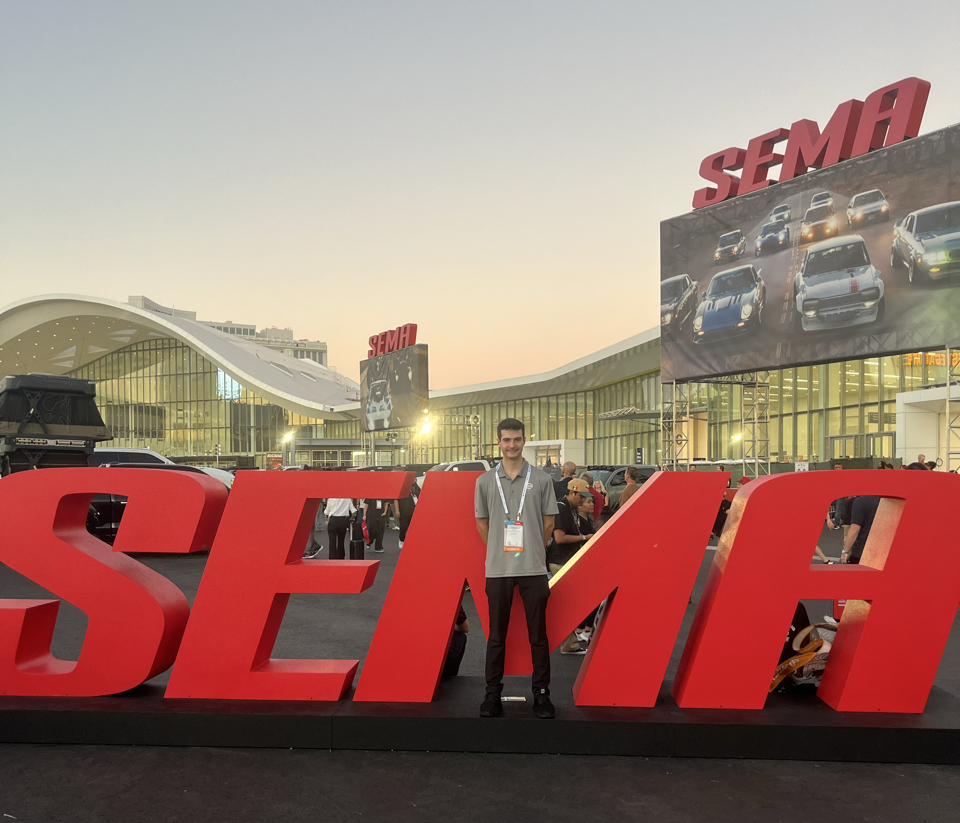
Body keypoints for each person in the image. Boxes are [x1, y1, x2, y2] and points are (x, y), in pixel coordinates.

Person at [475, 418, 558, 720]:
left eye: (517, 439)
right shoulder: (484, 481)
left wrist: (533, 548)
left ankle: (542, 694)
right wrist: (499, 548)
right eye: (507, 440)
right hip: (497, 569)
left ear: (525, 441)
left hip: (533, 568)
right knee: (497, 635)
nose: (512, 445)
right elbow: (482, 523)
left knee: (538, 635)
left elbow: (549, 523)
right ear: (498, 442)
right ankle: (492, 693)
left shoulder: (542, 479)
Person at [547, 477, 593, 655]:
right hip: (560, 561)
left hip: (564, 560)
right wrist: (583, 538)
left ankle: (570, 643)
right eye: (581, 496)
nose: (583, 501)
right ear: (572, 492)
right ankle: (569, 644)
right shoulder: (561, 508)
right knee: (567, 604)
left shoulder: (569, 508)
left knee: (568, 604)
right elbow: (559, 537)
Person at [442, 603, 470, 679]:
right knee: (461, 636)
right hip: (442, 655)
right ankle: (449, 678)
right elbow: (465, 628)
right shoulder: (451, 599)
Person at [395, 479, 420, 549]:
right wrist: (397, 510)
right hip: (404, 511)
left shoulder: (416, 487)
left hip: (414, 511)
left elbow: (421, 495)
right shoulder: (402, 487)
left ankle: (411, 542)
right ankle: (401, 539)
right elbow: (396, 499)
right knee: (403, 527)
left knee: (414, 529)